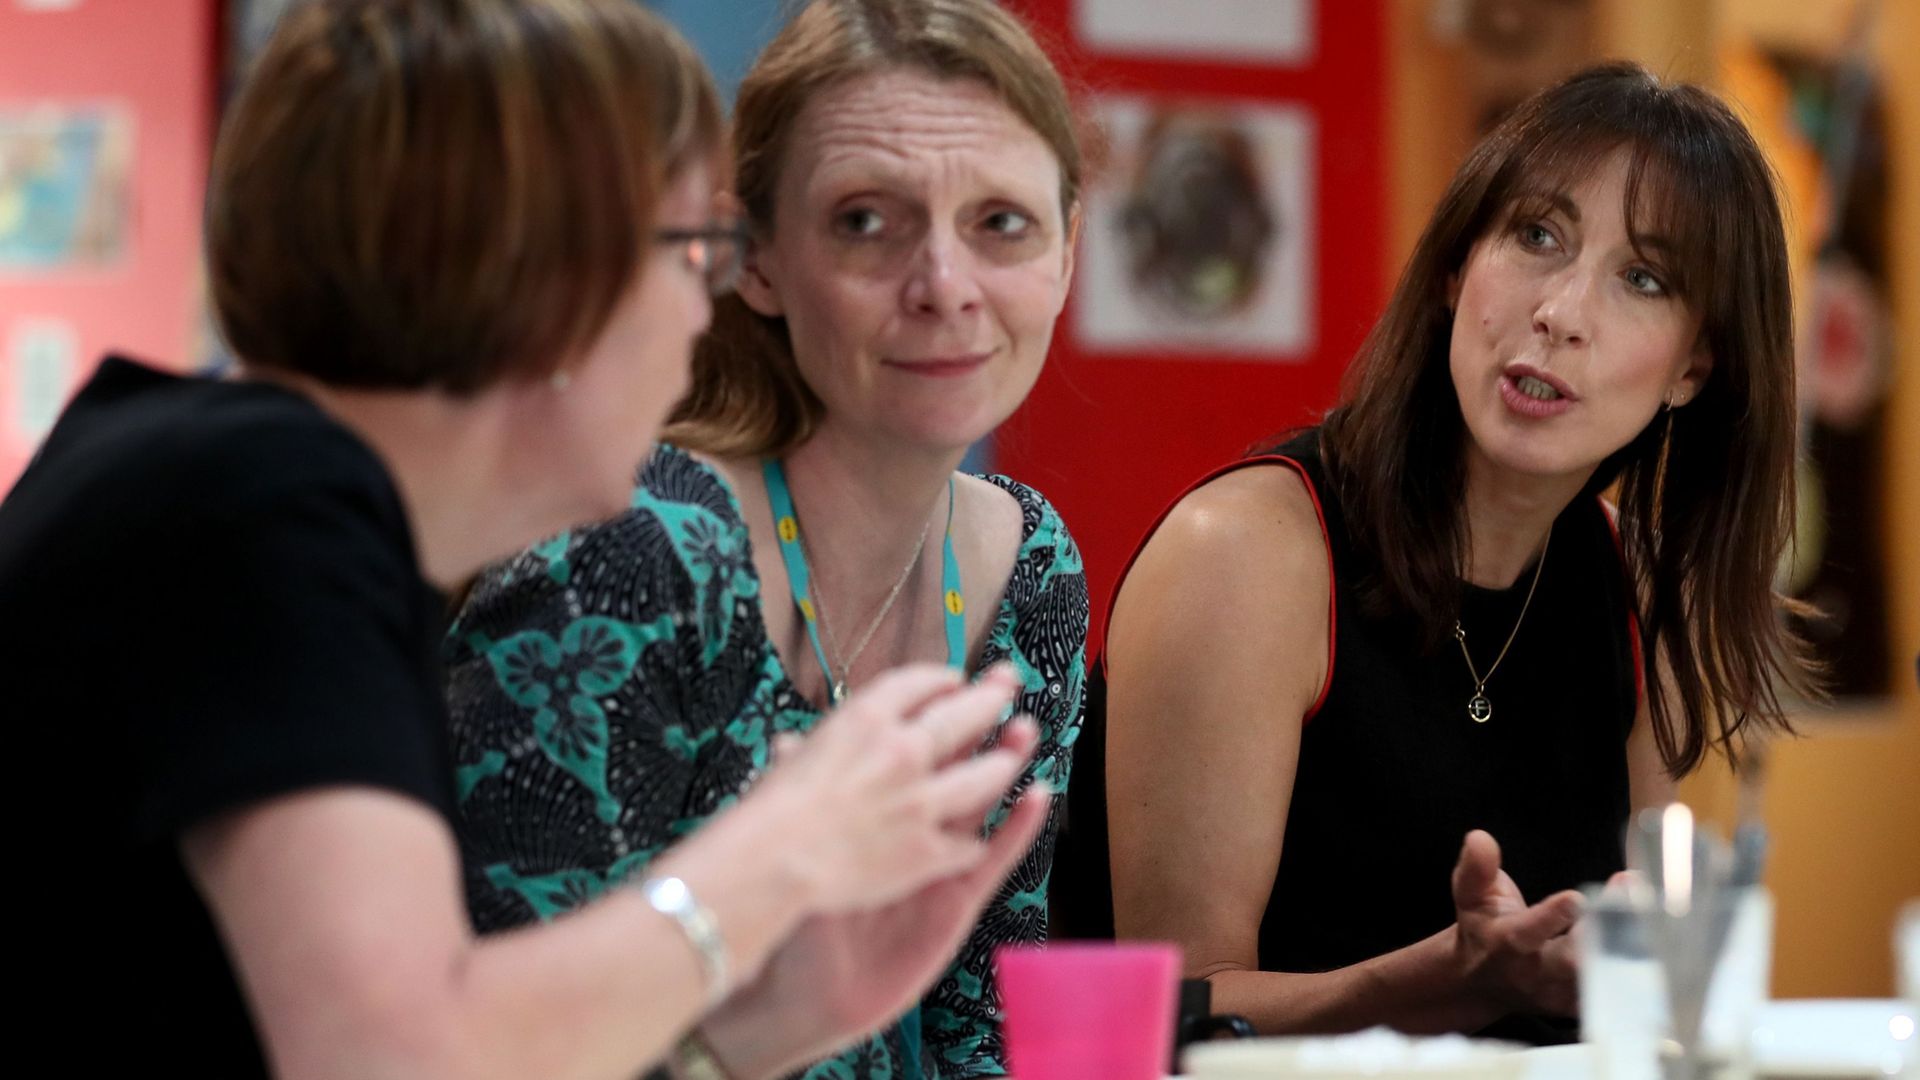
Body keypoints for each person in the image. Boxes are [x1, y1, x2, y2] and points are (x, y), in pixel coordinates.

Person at [0, 3, 1049, 1077]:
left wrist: (748, 1035)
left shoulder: (252, 490)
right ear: (544, 271)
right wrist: (779, 852)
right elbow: (386, 1057)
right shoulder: (258, 503)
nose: (704, 319)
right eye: (693, 251)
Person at [1052, 62, 1818, 1044]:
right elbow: (1169, 1017)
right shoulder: (1248, 554)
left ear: (1693, 368)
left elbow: (1639, 1004)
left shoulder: (1637, 590)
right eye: (1537, 237)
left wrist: (1634, 963)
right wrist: (1433, 988)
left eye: (1643, 278)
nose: (1562, 312)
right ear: (1457, 269)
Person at [444, 1, 1087, 1074]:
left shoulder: (1030, 563)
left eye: (1002, 224)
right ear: (755, 262)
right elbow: (499, 1053)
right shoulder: (630, 552)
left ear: (1069, 253)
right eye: (865, 223)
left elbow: (984, 1034)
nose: (944, 286)